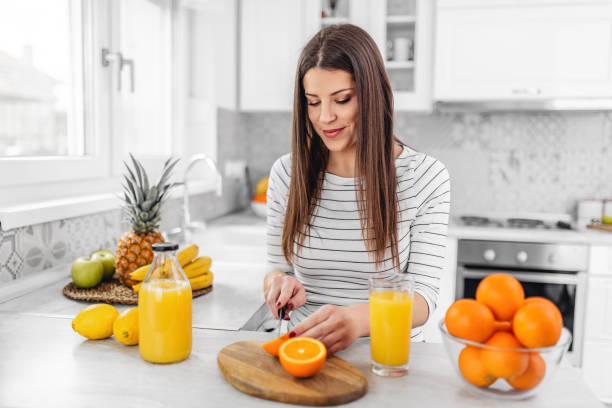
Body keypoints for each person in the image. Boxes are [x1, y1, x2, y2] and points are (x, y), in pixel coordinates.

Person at [263, 24, 450, 354]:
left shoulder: (425, 177)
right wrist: (278, 283)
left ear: (372, 94)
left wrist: (358, 321)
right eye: (313, 102)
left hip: (389, 358)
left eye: (342, 99)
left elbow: (423, 299)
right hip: (304, 353)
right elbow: (278, 267)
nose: (325, 117)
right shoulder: (286, 174)